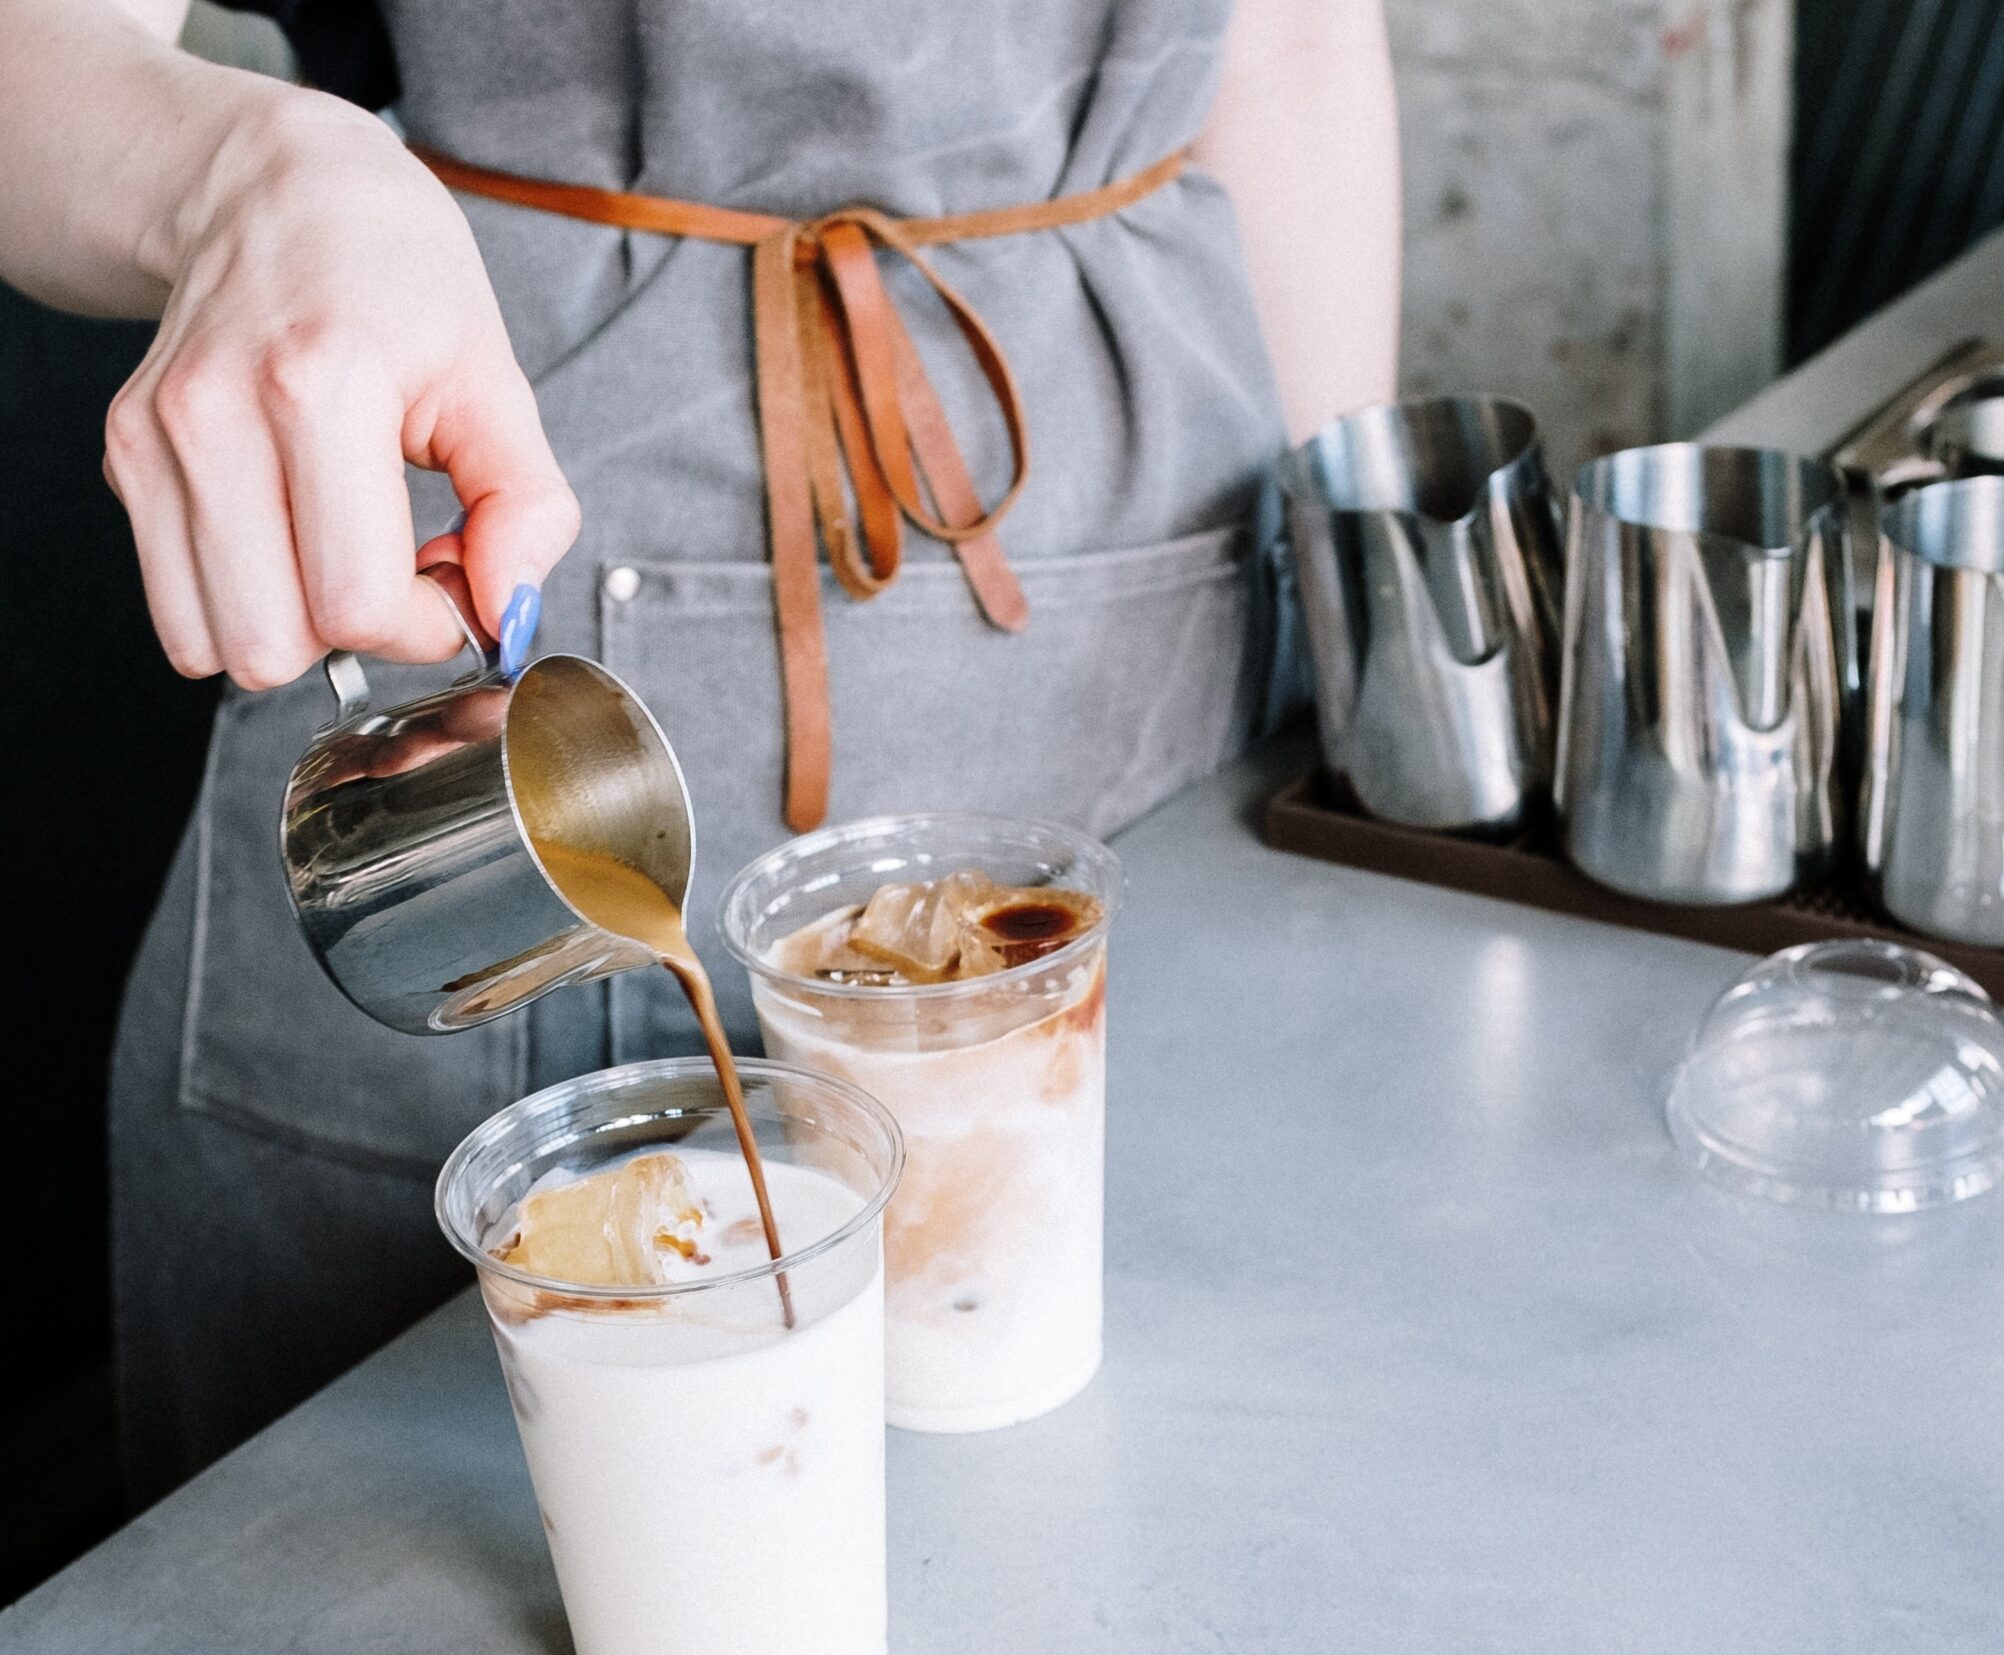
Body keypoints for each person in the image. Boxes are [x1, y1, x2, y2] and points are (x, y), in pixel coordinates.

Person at [0, 0, 1401, 1501]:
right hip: (498, 590)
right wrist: (240, 171)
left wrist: (1364, 664)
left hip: (1164, 607)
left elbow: (1296, 46)